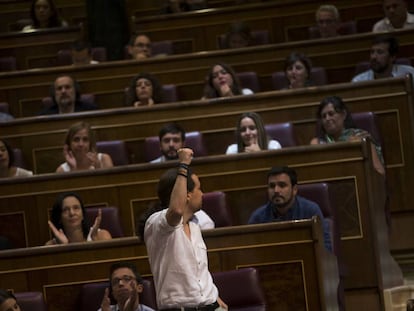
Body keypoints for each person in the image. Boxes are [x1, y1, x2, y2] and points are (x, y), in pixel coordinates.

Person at [141, 148, 227, 309]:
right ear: (187, 194)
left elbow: (198, 273)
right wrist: (183, 165)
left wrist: (213, 297)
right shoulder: (156, 223)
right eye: (198, 189)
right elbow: (176, 210)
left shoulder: (195, 227)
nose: (202, 194)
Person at [248, 166, 332, 251]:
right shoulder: (258, 217)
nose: (276, 190)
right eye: (272, 186)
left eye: (282, 185)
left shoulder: (311, 211)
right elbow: (251, 251)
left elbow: (326, 248)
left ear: (294, 189)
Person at [149, 123, 215, 229]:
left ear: (183, 143)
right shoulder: (156, 221)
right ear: (160, 145)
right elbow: (175, 211)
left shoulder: (202, 222)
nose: (171, 144)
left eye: (175, 140)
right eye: (166, 140)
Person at [310, 95, 385, 175]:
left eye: (331, 114)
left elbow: (380, 172)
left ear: (343, 114)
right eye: (323, 116)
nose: (327, 118)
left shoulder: (360, 139)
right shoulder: (317, 143)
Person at [45, 191, 112, 245]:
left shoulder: (102, 236)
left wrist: (95, 240)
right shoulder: (51, 245)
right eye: (65, 210)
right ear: (59, 217)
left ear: (83, 214)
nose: (72, 213)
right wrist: (63, 247)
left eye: (76, 208)